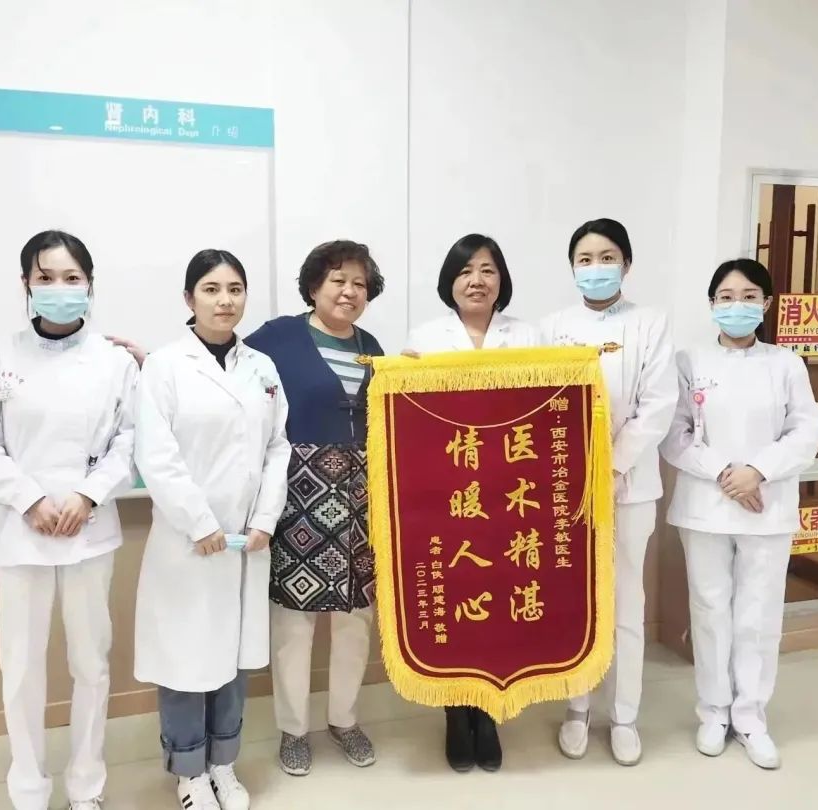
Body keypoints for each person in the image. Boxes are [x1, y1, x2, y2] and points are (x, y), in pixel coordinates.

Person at [0, 230, 138, 810]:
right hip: (19, 534)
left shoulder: (114, 361)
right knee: (22, 669)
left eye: (72, 278)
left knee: (91, 665)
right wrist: (30, 499)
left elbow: (130, 441)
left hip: (89, 532)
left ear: (90, 285)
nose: (59, 288)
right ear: (26, 285)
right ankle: (29, 791)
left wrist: (88, 495)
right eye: (46, 278)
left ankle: (86, 787)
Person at [133, 249, 290, 810]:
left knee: (233, 657)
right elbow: (157, 456)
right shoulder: (165, 366)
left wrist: (266, 518)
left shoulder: (262, 367)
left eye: (235, 289)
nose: (225, 300)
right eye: (211, 289)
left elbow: (278, 447)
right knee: (185, 660)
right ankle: (189, 772)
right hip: (188, 542)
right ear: (189, 298)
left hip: (247, 540)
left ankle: (223, 763)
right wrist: (199, 523)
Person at [660, 258, 818, 770]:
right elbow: (675, 433)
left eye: (749, 296)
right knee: (710, 611)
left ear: (766, 304)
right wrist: (726, 474)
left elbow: (807, 430)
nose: (737, 306)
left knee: (758, 614)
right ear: (712, 304)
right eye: (726, 297)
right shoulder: (689, 361)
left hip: (766, 506)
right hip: (706, 505)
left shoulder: (786, 364)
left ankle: (751, 716)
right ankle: (713, 712)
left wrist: (758, 471)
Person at [539, 218, 677, 767]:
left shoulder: (650, 323)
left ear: (626, 264)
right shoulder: (553, 327)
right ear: (572, 268)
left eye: (606, 257)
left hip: (629, 486)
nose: (595, 268)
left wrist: (613, 466)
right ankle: (577, 707)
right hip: (564, 489)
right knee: (575, 599)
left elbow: (657, 406)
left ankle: (625, 715)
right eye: (585, 259)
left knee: (626, 602)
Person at [245, 240, 385, 777]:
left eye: (359, 283)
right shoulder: (280, 336)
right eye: (337, 280)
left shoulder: (372, 347)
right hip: (296, 495)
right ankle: (293, 730)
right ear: (314, 286)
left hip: (361, 498)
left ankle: (344, 721)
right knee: (294, 621)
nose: (349, 292)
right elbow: (227, 368)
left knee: (355, 618)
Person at [404, 233, 539, 773]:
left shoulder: (528, 337)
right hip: (448, 494)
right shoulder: (424, 338)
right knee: (456, 602)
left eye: (486, 270)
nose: (476, 281)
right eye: (464, 271)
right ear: (450, 283)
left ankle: (489, 714)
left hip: (510, 494)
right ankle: (455, 713)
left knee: (500, 601)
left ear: (501, 279)